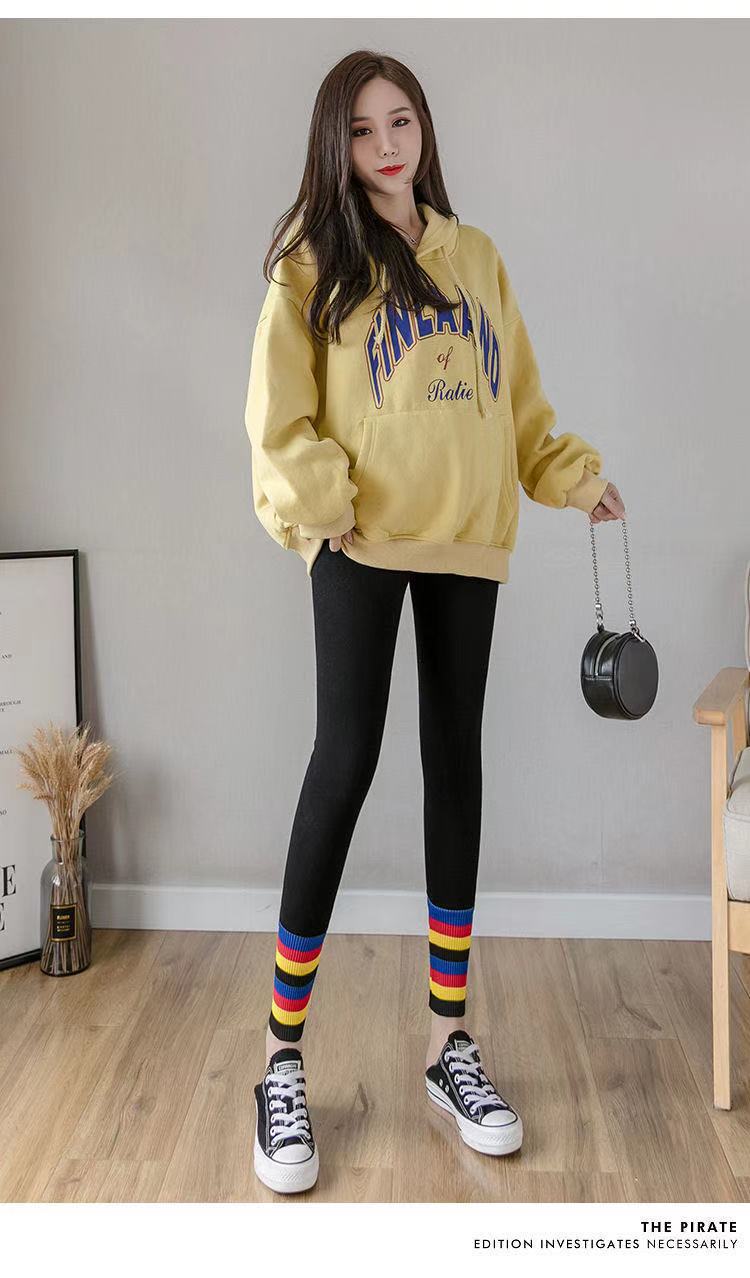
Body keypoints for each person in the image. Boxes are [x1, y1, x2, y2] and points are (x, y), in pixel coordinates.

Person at [244, 50, 626, 1196]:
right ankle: (280, 1057)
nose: (386, 146)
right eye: (362, 130)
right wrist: (330, 507)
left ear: (424, 130)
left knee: (454, 762)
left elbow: (521, 409)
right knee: (343, 764)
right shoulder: (311, 264)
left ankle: (448, 1045)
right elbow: (278, 418)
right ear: (337, 146)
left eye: (400, 121)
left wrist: (574, 477)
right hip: (360, 545)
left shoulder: (477, 258)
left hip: (467, 545)